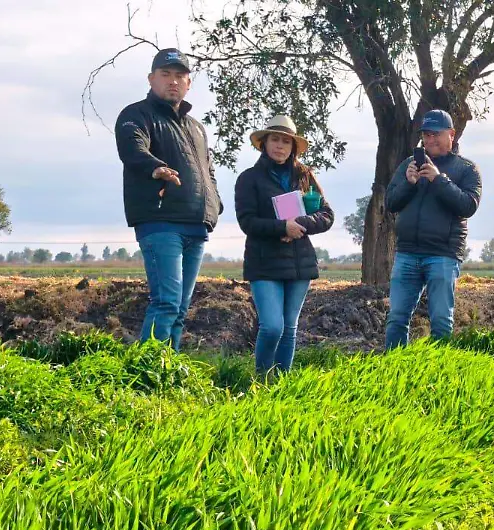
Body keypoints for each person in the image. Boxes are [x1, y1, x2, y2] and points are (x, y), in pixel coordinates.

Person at [115, 47, 223, 351]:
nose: (173, 81)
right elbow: (132, 148)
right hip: (160, 221)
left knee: (180, 310)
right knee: (166, 302)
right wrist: (156, 168)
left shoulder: (196, 127)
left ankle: (168, 369)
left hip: (196, 225)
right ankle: (146, 370)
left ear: (188, 83)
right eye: (165, 74)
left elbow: (208, 170)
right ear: (152, 79)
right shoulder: (135, 115)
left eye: (179, 75)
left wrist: (215, 204)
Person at [234, 115, 335, 375]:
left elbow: (326, 215)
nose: (280, 146)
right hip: (264, 261)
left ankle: (281, 383)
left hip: (299, 262)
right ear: (264, 143)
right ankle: (262, 379)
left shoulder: (305, 176)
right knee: (272, 327)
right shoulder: (248, 179)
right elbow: (247, 221)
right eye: (275, 140)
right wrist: (282, 227)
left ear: (293, 147)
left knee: (289, 328)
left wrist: (299, 223)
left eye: (286, 141)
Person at [384, 110, 482, 348]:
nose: (430, 140)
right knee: (397, 318)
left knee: (441, 320)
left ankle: (440, 366)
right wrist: (408, 184)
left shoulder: (467, 169)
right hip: (407, 253)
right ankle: (394, 365)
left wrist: (439, 180)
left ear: (451, 135)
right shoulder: (408, 165)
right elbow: (390, 203)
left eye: (436, 134)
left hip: (443, 254)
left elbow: (468, 206)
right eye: (426, 135)